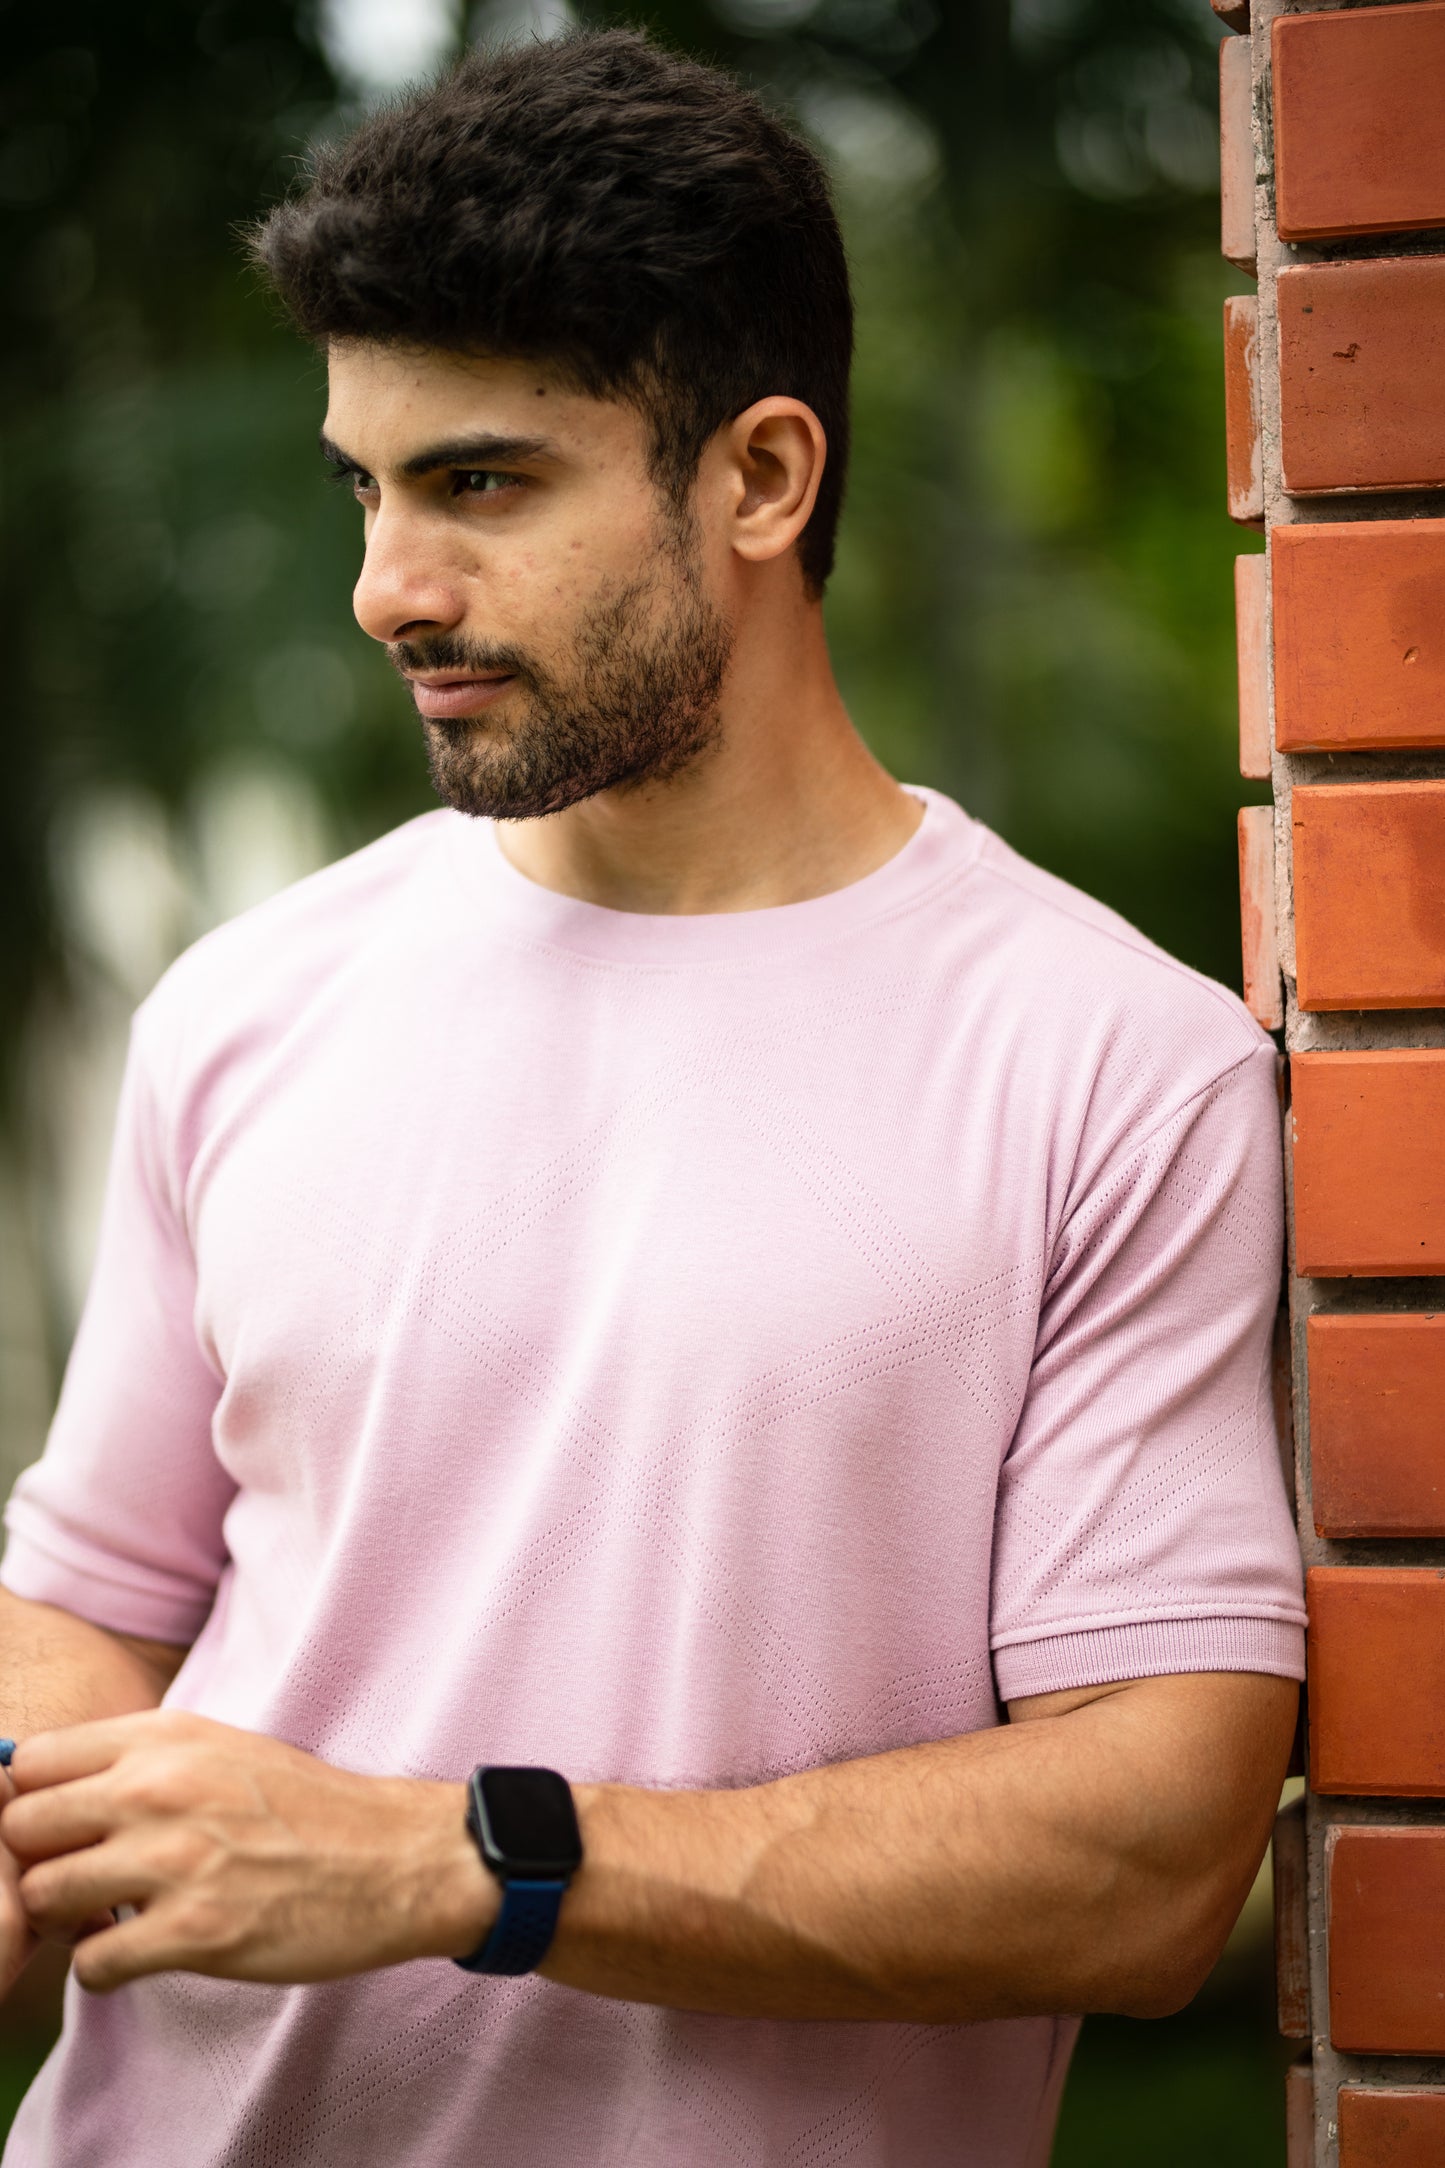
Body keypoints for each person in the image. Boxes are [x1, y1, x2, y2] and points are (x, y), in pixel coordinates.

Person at [0, 28, 1304, 2168]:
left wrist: (471, 1861)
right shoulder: (242, 1009)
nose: (387, 588)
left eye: (482, 483)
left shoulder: (1116, 1071)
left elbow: (1152, 1861)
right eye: (368, 484)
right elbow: (90, 1600)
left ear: (761, 480)